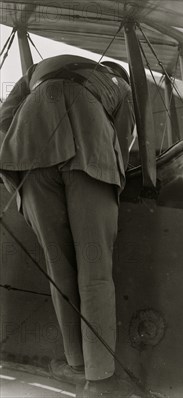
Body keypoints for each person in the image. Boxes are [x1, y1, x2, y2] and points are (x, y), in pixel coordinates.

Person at [0, 55, 135, 397]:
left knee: (59, 268)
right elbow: (123, 142)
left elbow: (4, 120)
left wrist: (14, 165)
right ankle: (100, 379)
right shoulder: (120, 86)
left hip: (29, 151)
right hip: (91, 152)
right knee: (95, 272)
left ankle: (75, 365)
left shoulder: (36, 71)